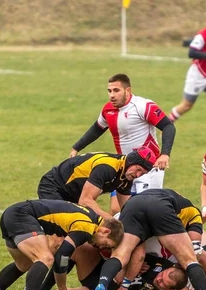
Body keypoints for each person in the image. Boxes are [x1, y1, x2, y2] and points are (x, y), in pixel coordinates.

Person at [0, 199, 124, 290]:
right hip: (21, 216)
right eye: (105, 244)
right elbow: (62, 256)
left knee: (23, 264)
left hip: (12, 214)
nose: (100, 247)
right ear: (105, 231)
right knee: (45, 258)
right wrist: (62, 289)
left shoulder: (89, 218)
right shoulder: (87, 226)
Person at [69, 73, 175, 211]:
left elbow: (168, 126)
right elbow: (97, 128)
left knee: (144, 211)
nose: (112, 95)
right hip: (124, 167)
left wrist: (165, 154)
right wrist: (76, 147)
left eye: (116, 90)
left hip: (148, 169)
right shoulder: (108, 110)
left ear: (128, 91)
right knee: (116, 209)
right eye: (109, 91)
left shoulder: (143, 106)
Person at [37, 147, 157, 218]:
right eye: (138, 169)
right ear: (131, 161)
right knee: (61, 232)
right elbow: (85, 201)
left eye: (142, 173)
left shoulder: (127, 177)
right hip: (53, 186)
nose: (137, 175)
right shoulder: (107, 167)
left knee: (80, 230)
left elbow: (127, 209)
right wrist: (109, 220)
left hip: (73, 193)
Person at [169, 10, 206, 123]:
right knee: (186, 106)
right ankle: (167, 124)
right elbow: (191, 53)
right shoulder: (202, 36)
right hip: (197, 75)